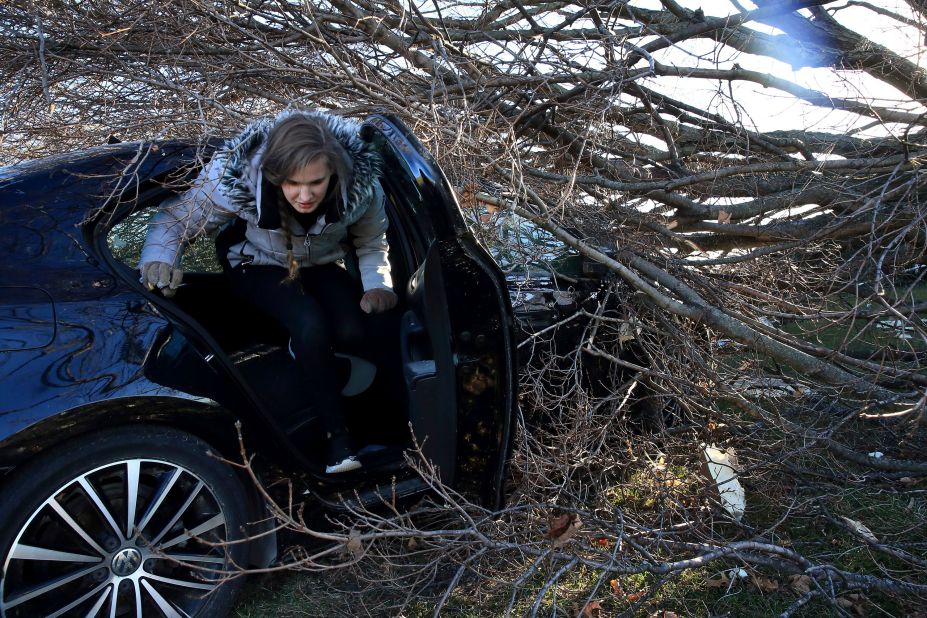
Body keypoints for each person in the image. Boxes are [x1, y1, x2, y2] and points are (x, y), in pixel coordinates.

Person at [138, 109, 398, 473]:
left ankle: (321, 368)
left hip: (316, 264)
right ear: (274, 175)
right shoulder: (235, 177)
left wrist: (377, 286)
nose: (304, 196)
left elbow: (372, 242)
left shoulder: (362, 189)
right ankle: (337, 442)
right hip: (253, 260)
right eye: (292, 184)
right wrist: (159, 261)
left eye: (316, 183)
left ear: (335, 172)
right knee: (308, 323)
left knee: (356, 328)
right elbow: (178, 221)